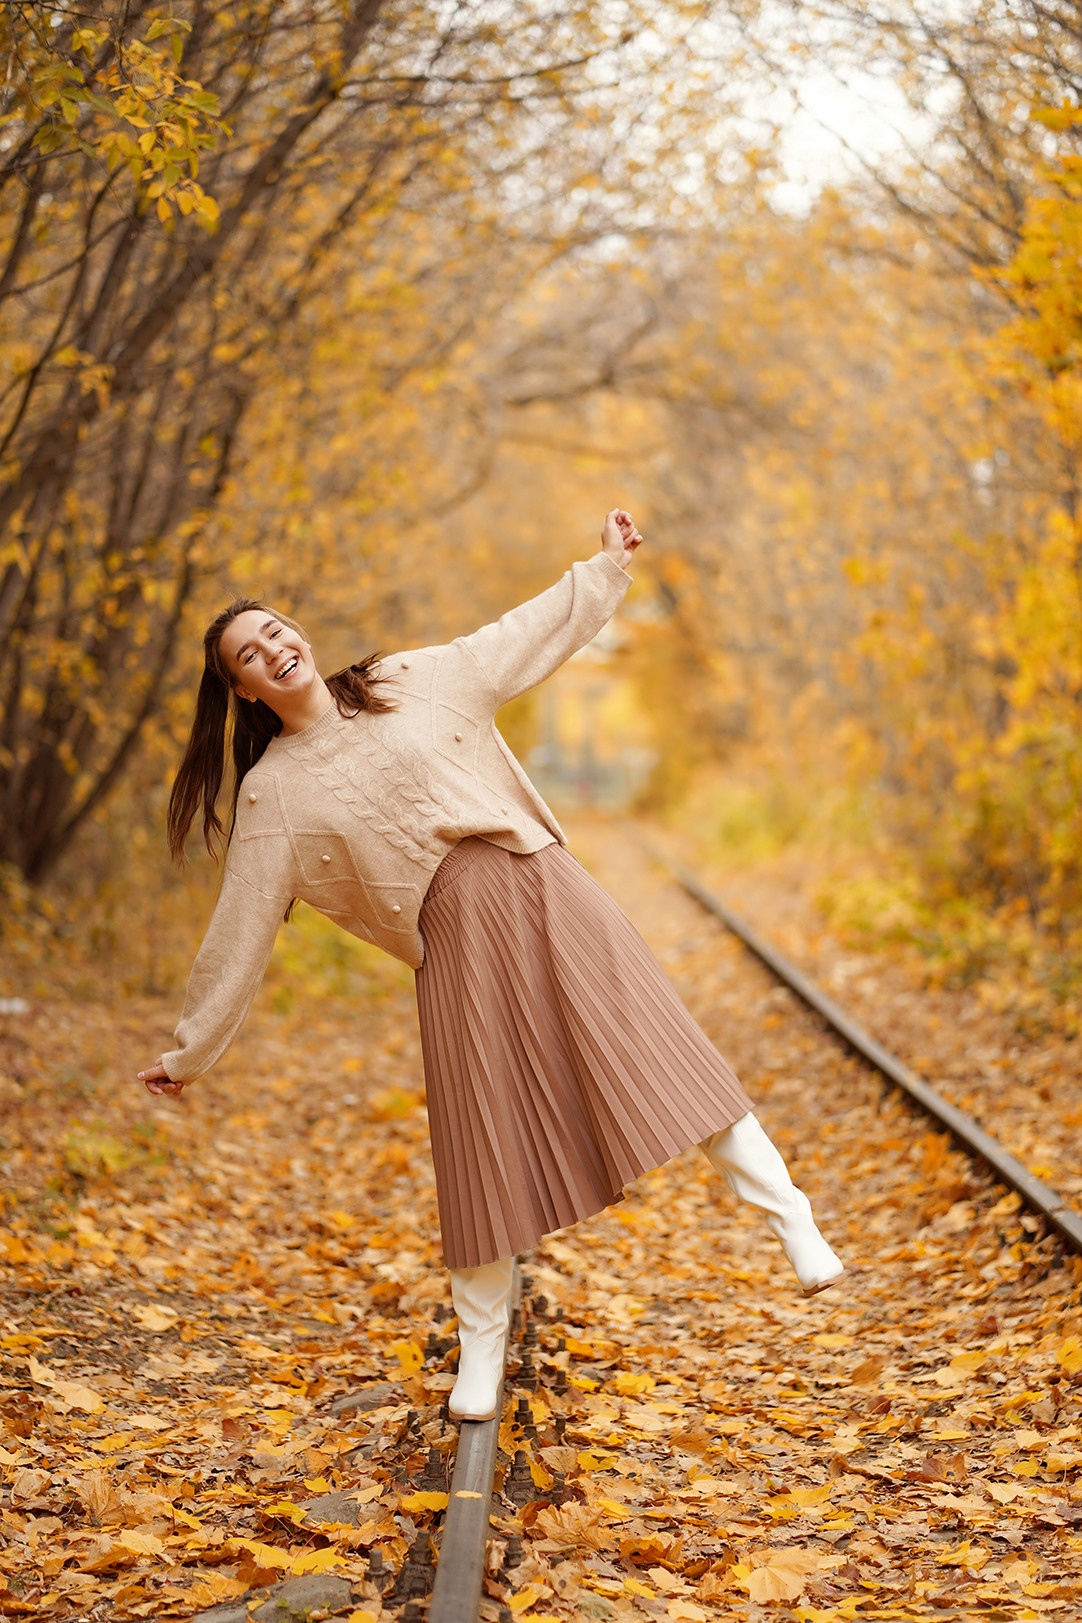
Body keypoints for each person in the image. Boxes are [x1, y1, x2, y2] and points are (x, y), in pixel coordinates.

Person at [139, 510, 844, 1422]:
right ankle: (482, 1354)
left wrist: (600, 571)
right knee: (480, 1145)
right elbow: (240, 928)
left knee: (664, 1057)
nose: (273, 649)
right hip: (454, 948)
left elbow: (512, 638)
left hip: (541, 888)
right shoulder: (275, 793)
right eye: (249, 653)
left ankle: (793, 1221)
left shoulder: (408, 679)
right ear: (240, 690)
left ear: (297, 635)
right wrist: (190, 1050)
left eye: (276, 629)